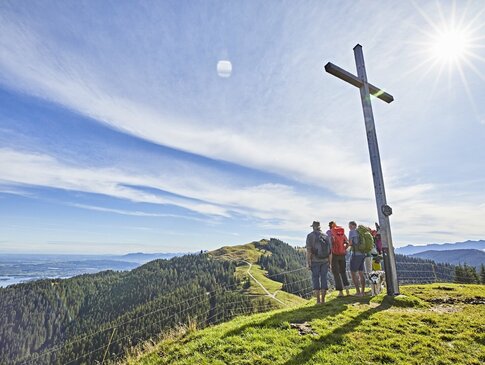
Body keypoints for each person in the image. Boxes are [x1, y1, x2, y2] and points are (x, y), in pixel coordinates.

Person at [306, 221, 332, 304]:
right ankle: (323, 300)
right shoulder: (326, 236)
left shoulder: (310, 236)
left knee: (315, 279)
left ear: (313, 227)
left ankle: (318, 300)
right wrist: (330, 263)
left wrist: (308, 263)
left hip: (315, 261)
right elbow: (330, 252)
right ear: (320, 226)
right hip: (325, 261)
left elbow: (309, 251)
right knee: (324, 278)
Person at [327, 221, 350, 297]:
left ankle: (341, 292)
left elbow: (328, 245)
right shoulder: (341, 232)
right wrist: (344, 249)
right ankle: (347, 290)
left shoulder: (329, 232)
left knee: (336, 273)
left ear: (329, 226)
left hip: (334, 255)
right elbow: (348, 242)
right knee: (343, 272)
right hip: (342, 254)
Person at [348, 221, 366, 296]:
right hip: (362, 254)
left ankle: (358, 292)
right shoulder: (360, 232)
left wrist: (346, 244)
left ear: (353, 225)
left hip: (355, 254)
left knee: (353, 273)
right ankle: (363, 292)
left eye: (349, 225)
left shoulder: (352, 232)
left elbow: (351, 243)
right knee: (361, 273)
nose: (349, 227)